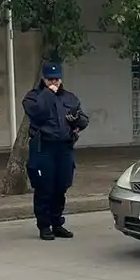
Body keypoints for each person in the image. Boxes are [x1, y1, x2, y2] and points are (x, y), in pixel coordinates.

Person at [21, 61, 90, 240]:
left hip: (64, 147)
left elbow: (82, 118)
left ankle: (57, 222)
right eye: (50, 79)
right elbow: (38, 113)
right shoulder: (33, 97)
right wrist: (48, 93)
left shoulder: (69, 97)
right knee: (44, 187)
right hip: (43, 147)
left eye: (57, 79)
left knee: (61, 186)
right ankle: (44, 225)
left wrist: (77, 123)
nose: (54, 83)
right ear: (43, 79)